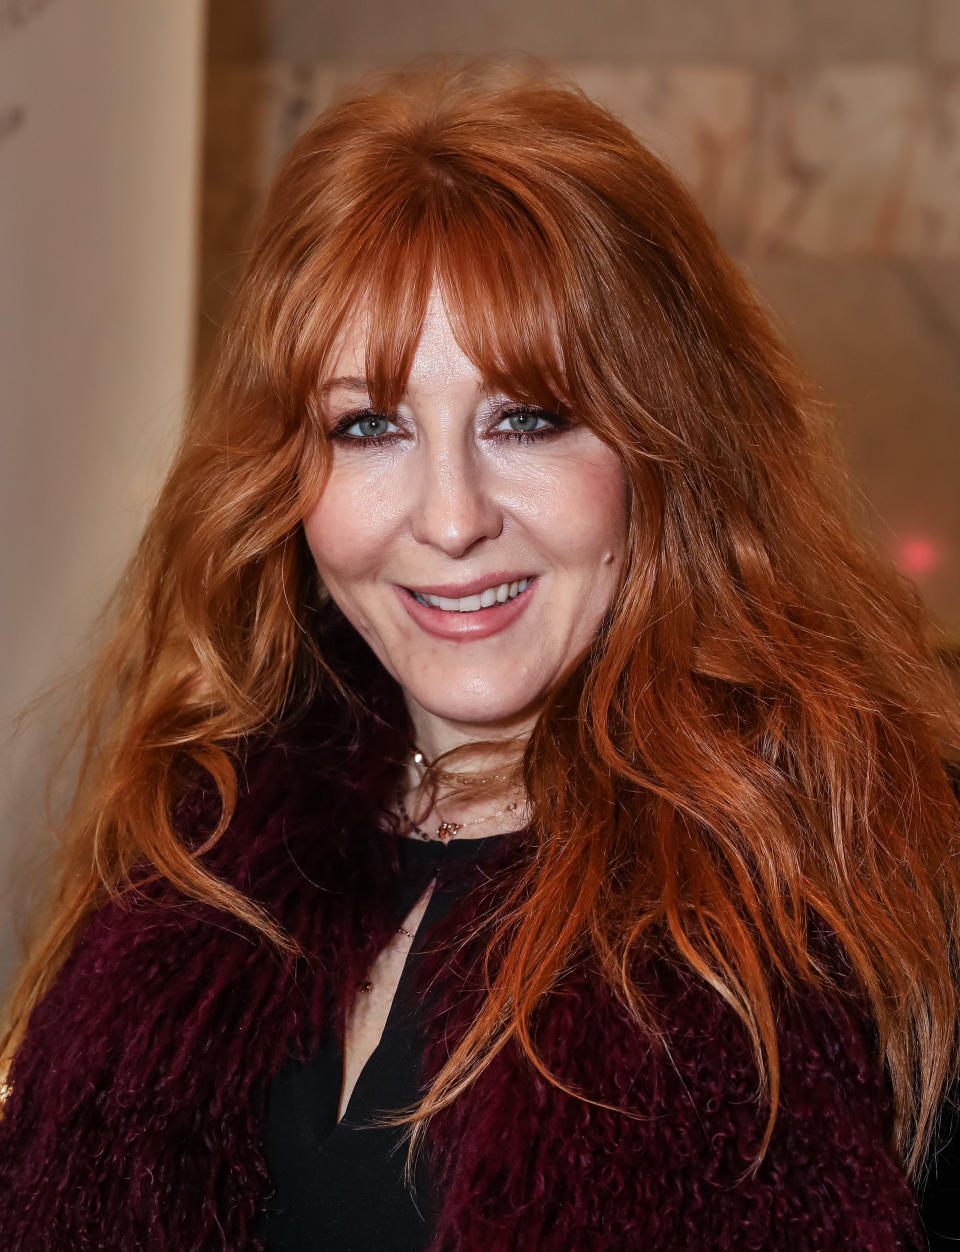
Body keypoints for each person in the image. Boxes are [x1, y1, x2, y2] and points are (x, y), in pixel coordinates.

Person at [1, 57, 959, 1251]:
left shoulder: (861, 887)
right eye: (370, 425)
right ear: (282, 475)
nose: (450, 518)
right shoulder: (192, 848)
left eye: (527, 417)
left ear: (667, 446)